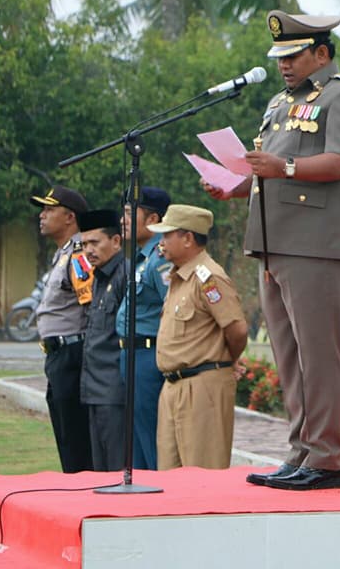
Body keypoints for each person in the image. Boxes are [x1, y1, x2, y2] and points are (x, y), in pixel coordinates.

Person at [204, 10, 340, 490]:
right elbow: (272, 171)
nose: (284, 64)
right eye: (279, 56)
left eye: (294, 54)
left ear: (321, 53)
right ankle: (301, 450)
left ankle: (324, 459)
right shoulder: (280, 102)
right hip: (272, 241)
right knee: (289, 355)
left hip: (315, 243)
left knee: (318, 354)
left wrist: (283, 166)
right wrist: (234, 185)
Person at [149, 205, 249, 470]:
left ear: (188, 238)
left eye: (166, 235)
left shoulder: (208, 277)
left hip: (202, 386)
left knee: (203, 474)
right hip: (174, 386)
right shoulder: (180, 277)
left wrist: (229, 358)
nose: (161, 243)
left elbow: (237, 329)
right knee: (170, 477)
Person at [30, 185, 94, 473]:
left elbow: (91, 305)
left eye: (48, 210)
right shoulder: (64, 254)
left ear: (69, 217)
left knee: (75, 438)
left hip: (72, 354)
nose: (42, 216)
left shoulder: (79, 255)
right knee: (66, 436)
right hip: (59, 355)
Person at [116, 186, 172, 471]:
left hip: (149, 356)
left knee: (150, 436)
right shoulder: (143, 256)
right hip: (132, 355)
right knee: (135, 439)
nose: (122, 221)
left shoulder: (160, 256)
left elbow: (173, 308)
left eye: (129, 214)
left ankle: (159, 499)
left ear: (152, 220)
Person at [78, 209, 128, 472]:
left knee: (116, 468)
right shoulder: (98, 277)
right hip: (94, 389)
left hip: (114, 390)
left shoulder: (125, 274)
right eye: (85, 244)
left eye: (95, 242)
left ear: (116, 241)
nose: (88, 250)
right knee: (99, 469)